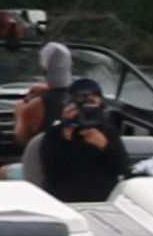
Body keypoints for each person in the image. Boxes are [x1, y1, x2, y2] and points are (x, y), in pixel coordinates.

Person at [19, 43, 128, 202]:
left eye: (91, 101)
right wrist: (66, 136)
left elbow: (122, 168)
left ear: (101, 104)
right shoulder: (54, 134)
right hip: (64, 199)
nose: (85, 106)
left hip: (104, 200)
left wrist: (104, 146)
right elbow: (52, 174)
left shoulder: (108, 132)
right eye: (80, 101)